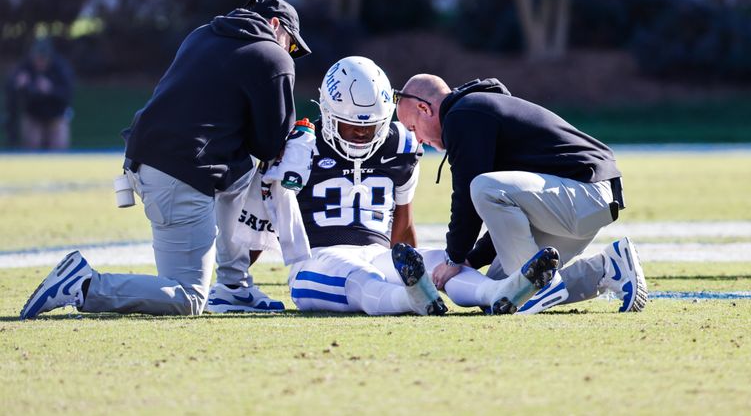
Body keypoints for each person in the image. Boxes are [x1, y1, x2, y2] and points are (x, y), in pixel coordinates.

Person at [20, 0, 311, 320]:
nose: (290, 53)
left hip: (147, 157)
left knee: (242, 176)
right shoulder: (273, 55)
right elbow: (272, 147)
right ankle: (85, 285)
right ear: (274, 25)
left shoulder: (201, 34)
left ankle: (234, 286)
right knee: (187, 296)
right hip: (180, 173)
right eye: (291, 44)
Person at [217, 57, 560, 316]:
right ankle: (410, 300)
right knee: (360, 279)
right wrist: (234, 280)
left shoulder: (400, 144)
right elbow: (259, 219)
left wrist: (413, 262)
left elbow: (403, 221)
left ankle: (499, 292)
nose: (363, 134)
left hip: (380, 253)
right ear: (329, 112)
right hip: (316, 261)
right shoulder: (299, 145)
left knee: (443, 262)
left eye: (371, 127)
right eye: (352, 127)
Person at [395, 74, 647, 314]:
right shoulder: (472, 111)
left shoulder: (463, 114)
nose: (416, 139)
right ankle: (608, 268)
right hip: (572, 201)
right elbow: (506, 214)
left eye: (412, 128)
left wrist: (454, 257)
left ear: (424, 109)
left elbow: (468, 196)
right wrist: (471, 261)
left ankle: (534, 291)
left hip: (587, 192)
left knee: (482, 187)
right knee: (498, 292)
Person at [5, 38, 74, 149]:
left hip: (56, 116)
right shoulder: (26, 66)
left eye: (43, 58)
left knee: (59, 154)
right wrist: (17, 85)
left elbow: (67, 94)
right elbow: (10, 91)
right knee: (31, 151)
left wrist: (51, 90)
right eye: (37, 58)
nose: (40, 62)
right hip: (33, 115)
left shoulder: (60, 67)